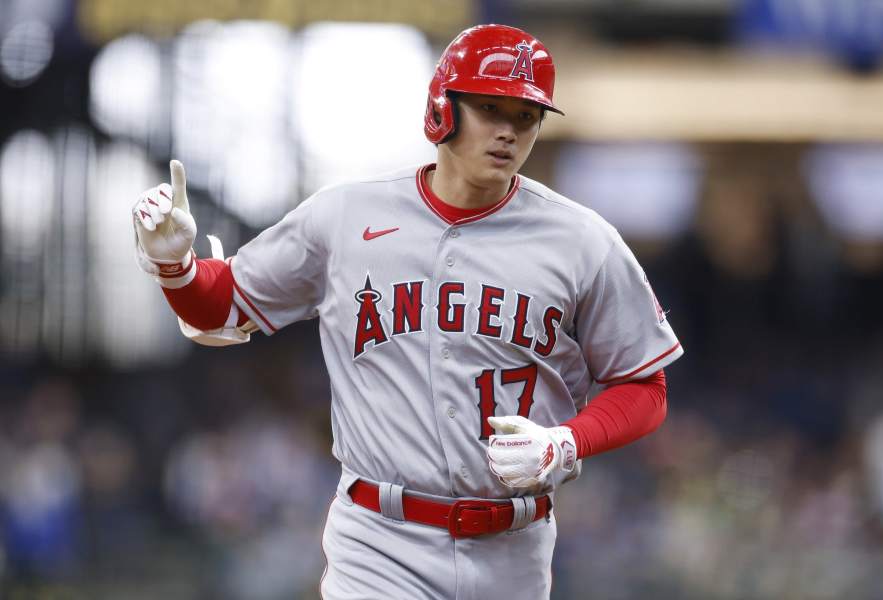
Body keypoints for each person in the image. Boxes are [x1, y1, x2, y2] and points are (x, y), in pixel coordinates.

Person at [132, 23, 683, 600]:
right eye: (489, 108)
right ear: (443, 109)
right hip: (379, 540)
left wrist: (565, 442)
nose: (508, 132)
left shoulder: (583, 240)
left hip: (514, 548)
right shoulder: (346, 216)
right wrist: (177, 267)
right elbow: (223, 303)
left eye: (525, 115)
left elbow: (644, 386)